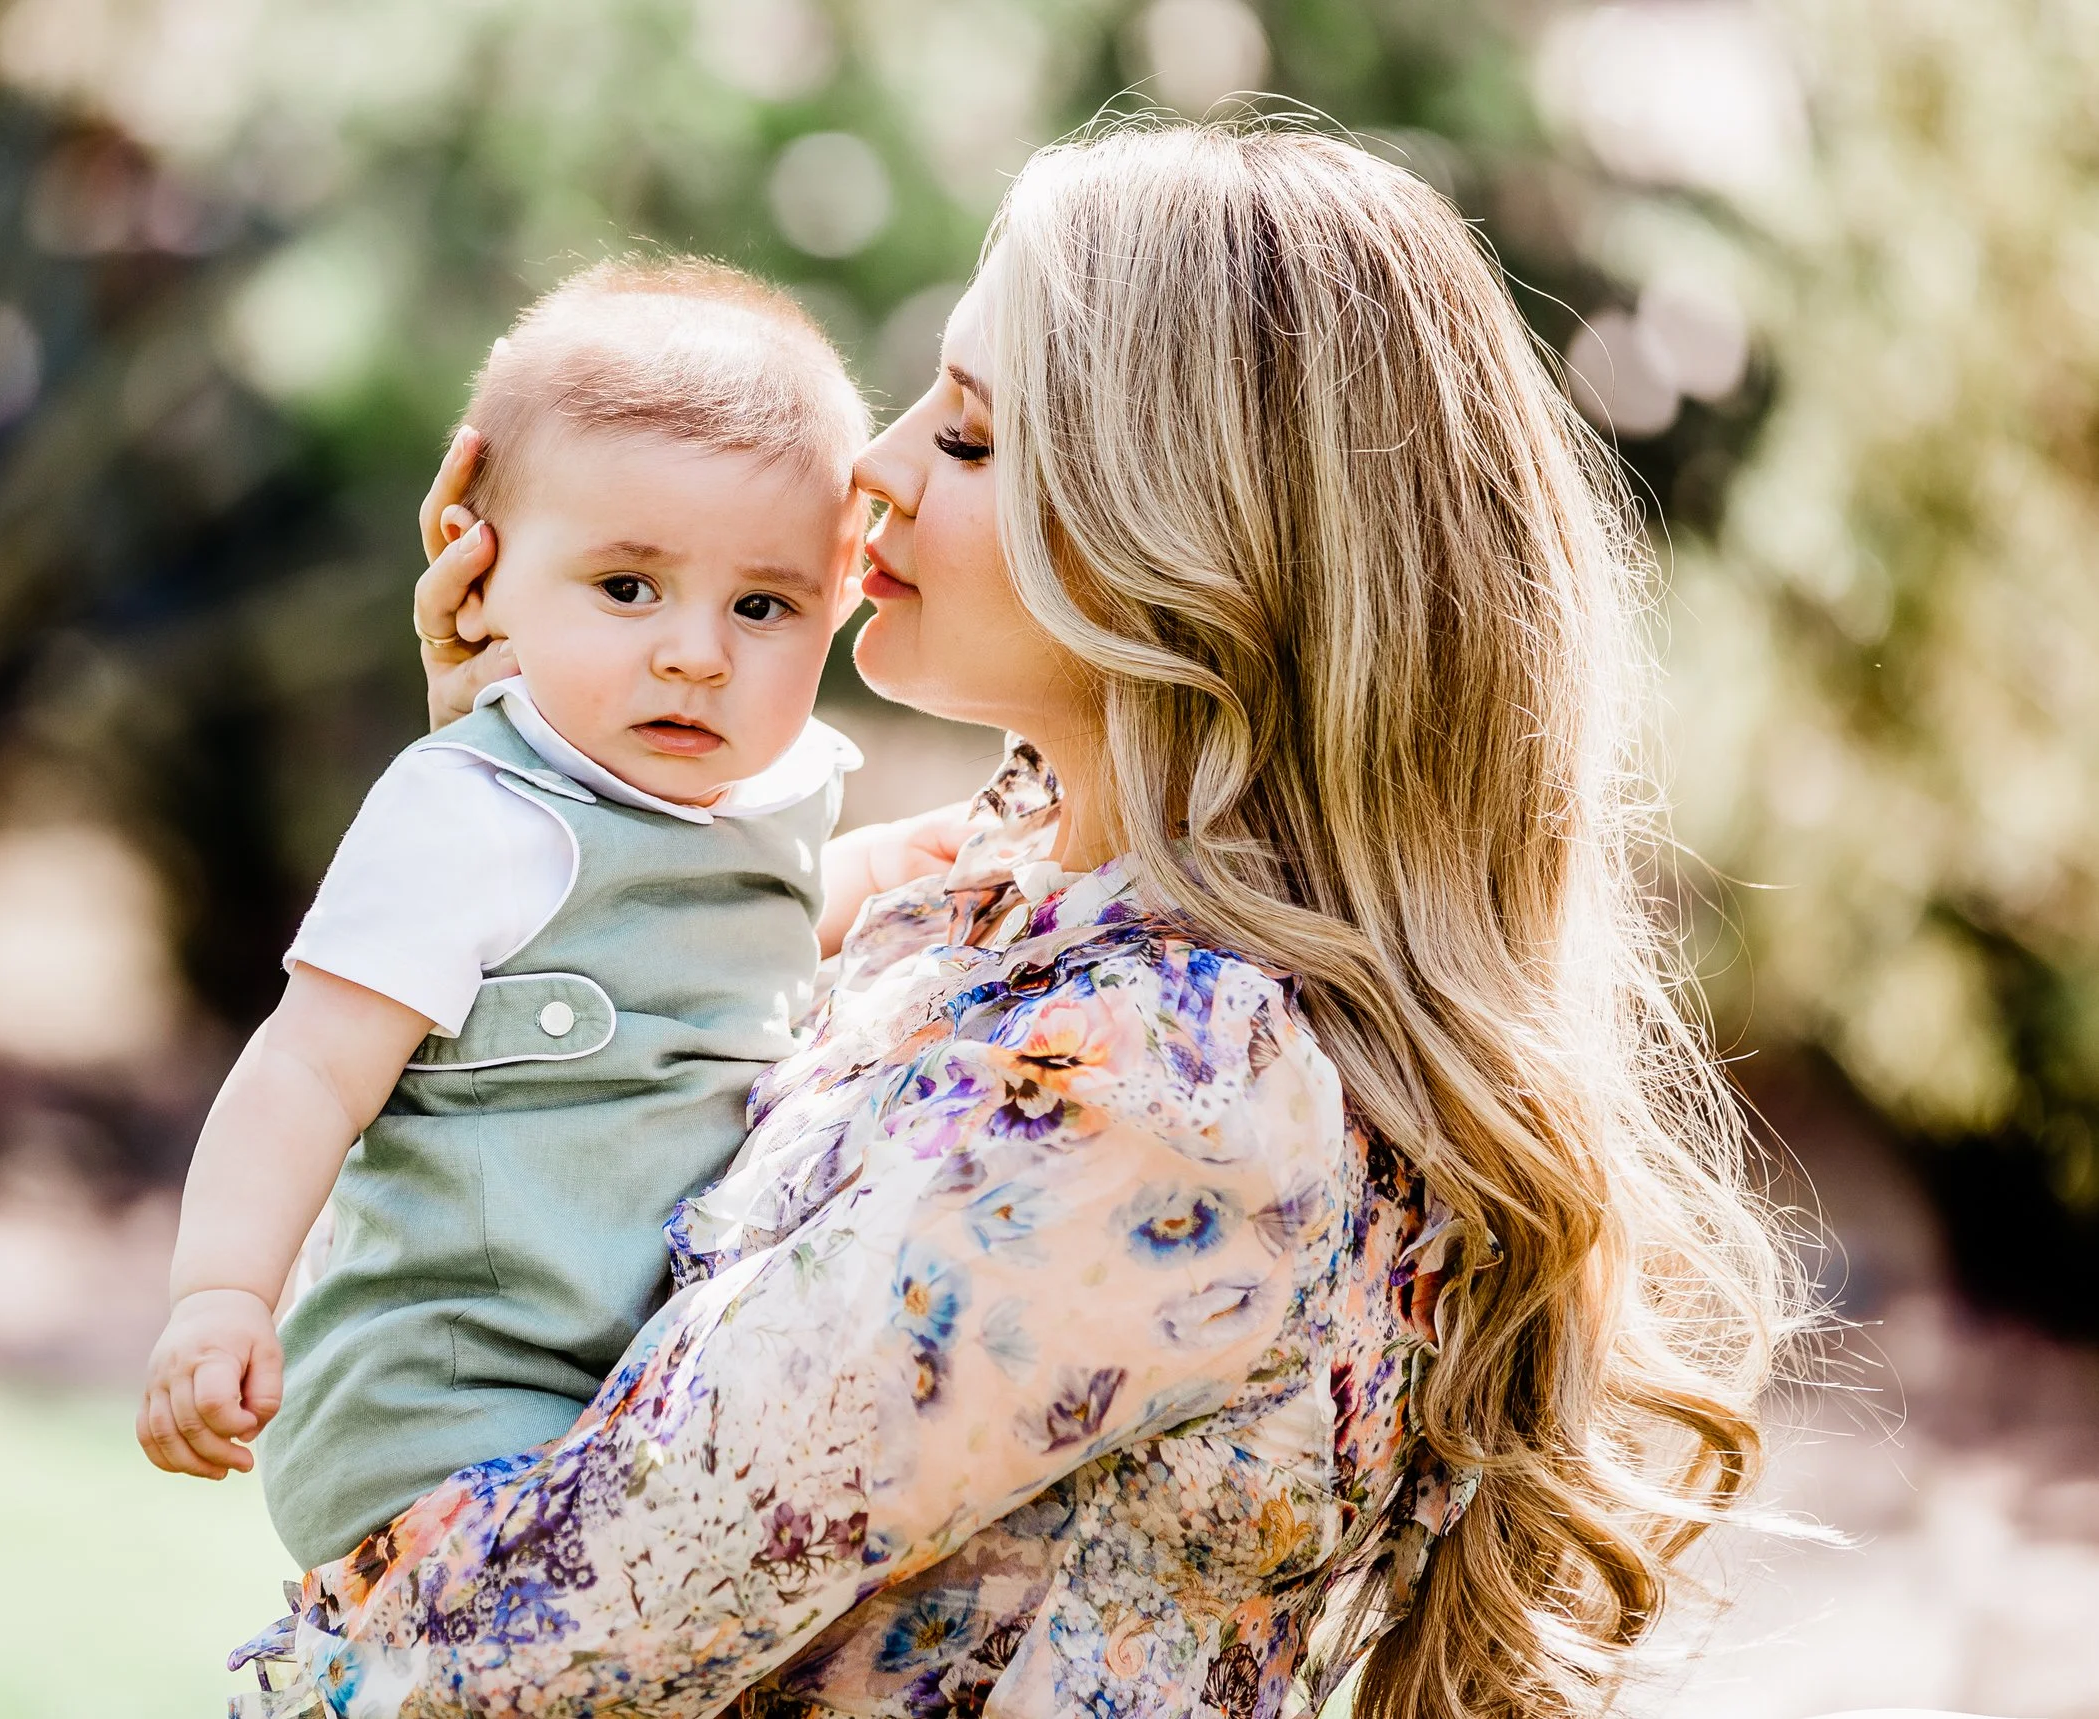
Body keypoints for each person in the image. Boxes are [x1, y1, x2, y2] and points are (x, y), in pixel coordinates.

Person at [228, 122, 1801, 1719]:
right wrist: (538, 789)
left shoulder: (1157, 1082)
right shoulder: (1006, 914)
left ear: (1192, 544)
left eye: (969, 439)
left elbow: (539, 1637)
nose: (874, 473)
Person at [137, 258, 975, 1574]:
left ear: (841, 592)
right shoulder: (472, 812)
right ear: (481, 571)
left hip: (627, 1405)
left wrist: (905, 865)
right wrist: (221, 1295)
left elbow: (751, 924)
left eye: (761, 604)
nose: (696, 651)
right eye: (628, 587)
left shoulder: (772, 804)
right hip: (451, 1403)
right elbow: (306, 1066)